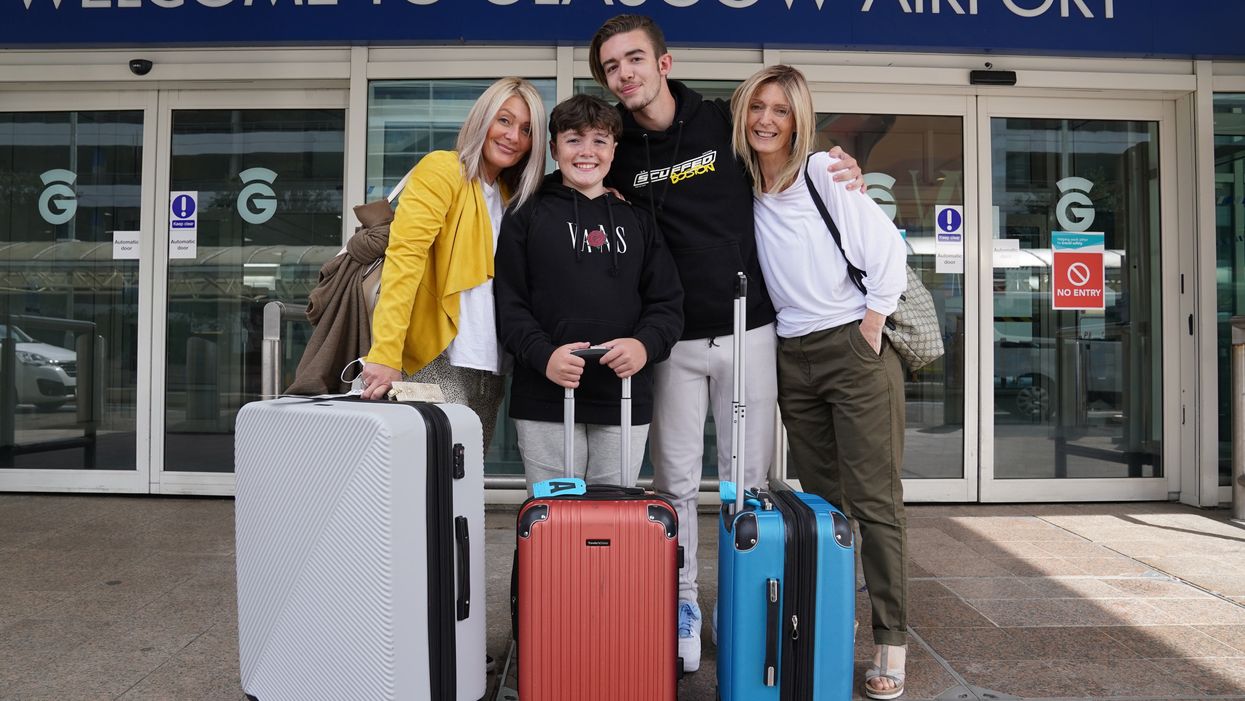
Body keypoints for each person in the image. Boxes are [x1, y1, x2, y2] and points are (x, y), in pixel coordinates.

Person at [588, 14, 865, 672]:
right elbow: (572, 183)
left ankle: (743, 596)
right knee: (675, 482)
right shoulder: (613, 144)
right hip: (670, 339)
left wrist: (838, 163)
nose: (624, 73)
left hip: (748, 328)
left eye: (634, 59)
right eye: (610, 66)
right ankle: (683, 600)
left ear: (664, 63)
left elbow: (782, 145)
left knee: (746, 483)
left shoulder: (720, 119)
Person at [732, 64, 909, 700]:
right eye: (757, 107)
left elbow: (889, 252)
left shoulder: (824, 172)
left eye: (780, 109)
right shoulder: (744, 184)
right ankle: (837, 617)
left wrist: (871, 326)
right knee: (826, 503)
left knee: (874, 502)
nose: (766, 120)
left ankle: (891, 640)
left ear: (798, 119)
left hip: (850, 346)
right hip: (791, 354)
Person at [494, 94, 683, 488]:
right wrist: (544, 356)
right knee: (553, 516)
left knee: (612, 517)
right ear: (553, 149)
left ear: (614, 149)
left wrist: (643, 346)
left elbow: (667, 303)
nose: (586, 152)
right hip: (545, 395)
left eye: (599, 140)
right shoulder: (526, 214)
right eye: (573, 140)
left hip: (623, 397)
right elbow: (509, 304)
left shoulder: (638, 220)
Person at [359, 77, 547, 453]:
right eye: (504, 120)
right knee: (435, 474)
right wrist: (386, 353)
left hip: (489, 367)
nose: (514, 136)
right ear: (483, 118)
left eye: (527, 130)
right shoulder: (444, 169)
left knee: (464, 476)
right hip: (436, 357)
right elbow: (405, 260)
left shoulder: (511, 196)